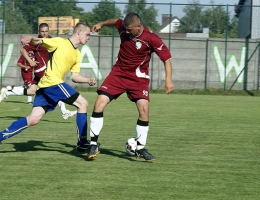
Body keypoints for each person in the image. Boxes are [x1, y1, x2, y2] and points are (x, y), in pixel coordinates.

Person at [87, 13, 174, 161]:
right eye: (125, 30)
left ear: (139, 26)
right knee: (99, 103)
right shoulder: (123, 27)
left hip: (138, 79)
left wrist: (168, 80)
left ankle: (140, 148)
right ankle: (93, 144)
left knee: (144, 108)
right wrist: (101, 23)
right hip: (118, 74)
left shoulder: (151, 39)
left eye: (130, 30)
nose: (126, 33)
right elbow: (116, 21)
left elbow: (167, 60)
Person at [0, 22, 96, 152]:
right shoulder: (59, 42)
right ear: (79, 32)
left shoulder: (77, 54)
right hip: (52, 83)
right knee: (83, 104)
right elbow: (39, 40)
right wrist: (30, 39)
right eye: (87, 34)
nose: (88, 37)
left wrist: (87, 80)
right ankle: (82, 142)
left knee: (33, 119)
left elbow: (75, 76)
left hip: (46, 86)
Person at [0, 23, 76, 120]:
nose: (44, 33)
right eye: (42, 31)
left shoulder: (51, 40)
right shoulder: (36, 42)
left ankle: (8, 91)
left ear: (49, 31)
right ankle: (65, 111)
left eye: (46, 31)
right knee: (56, 88)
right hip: (42, 71)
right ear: (39, 32)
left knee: (31, 91)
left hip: (45, 72)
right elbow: (23, 50)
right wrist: (30, 61)